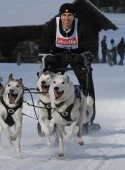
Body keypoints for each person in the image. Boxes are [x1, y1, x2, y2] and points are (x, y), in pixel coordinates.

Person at [38, 3, 100, 133]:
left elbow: (91, 44)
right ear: (60, 16)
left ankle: (89, 119)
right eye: (64, 15)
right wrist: (44, 56)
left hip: (78, 55)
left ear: (74, 17)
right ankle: (47, 118)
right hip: (57, 56)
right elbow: (44, 42)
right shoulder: (52, 26)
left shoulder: (81, 27)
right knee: (50, 82)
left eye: (70, 15)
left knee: (87, 82)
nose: (67, 18)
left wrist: (87, 57)